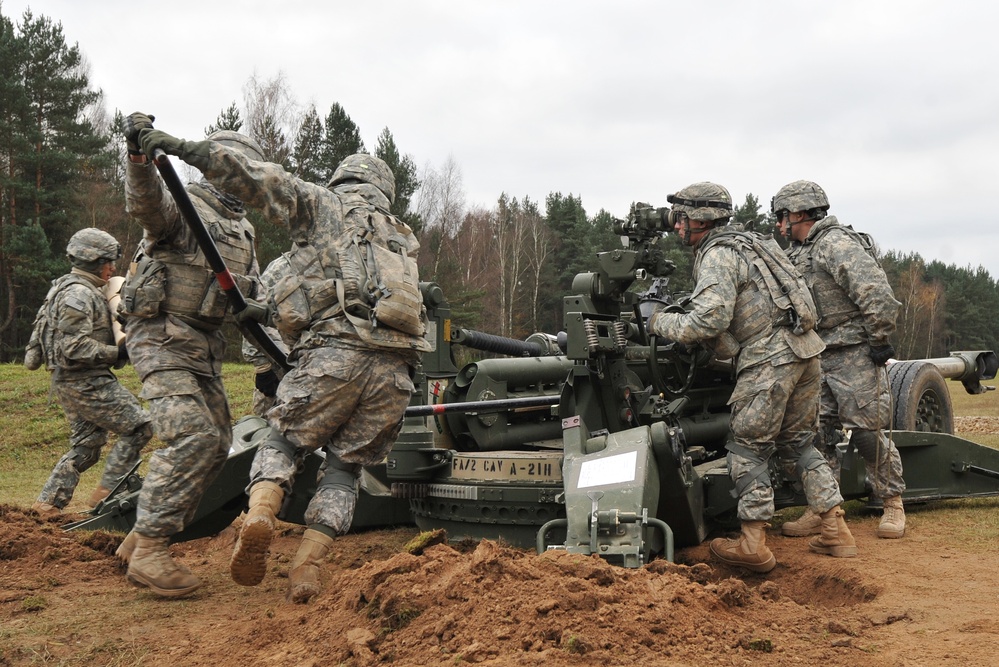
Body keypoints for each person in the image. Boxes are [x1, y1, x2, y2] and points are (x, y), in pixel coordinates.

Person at [140, 124, 429, 603]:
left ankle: (259, 517)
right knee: (345, 469)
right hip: (394, 376)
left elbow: (258, 178)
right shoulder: (402, 238)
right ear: (384, 191)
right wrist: (270, 312)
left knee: (283, 442)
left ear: (340, 181)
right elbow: (361, 290)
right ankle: (307, 568)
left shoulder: (323, 205)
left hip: (332, 358)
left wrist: (184, 149)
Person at [647, 181, 856, 572]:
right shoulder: (753, 243)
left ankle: (753, 544)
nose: (676, 226)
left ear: (701, 219)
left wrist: (658, 320)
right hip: (805, 352)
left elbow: (709, 320)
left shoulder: (718, 255)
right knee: (800, 444)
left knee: (748, 447)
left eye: (682, 218)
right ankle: (836, 530)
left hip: (770, 360)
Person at [117, 113, 261, 597]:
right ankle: (154, 549)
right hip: (159, 336)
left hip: (203, 345)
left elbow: (252, 291)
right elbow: (147, 204)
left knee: (219, 442)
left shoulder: (243, 231)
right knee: (192, 437)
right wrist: (140, 158)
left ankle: (138, 538)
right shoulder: (186, 205)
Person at [773, 180, 906, 539]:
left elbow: (875, 294)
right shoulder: (799, 253)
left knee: (867, 432)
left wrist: (879, 340)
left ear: (798, 213)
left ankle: (892, 501)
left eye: (782, 216)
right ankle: (823, 508)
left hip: (854, 353)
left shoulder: (835, 244)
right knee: (817, 434)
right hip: (816, 355)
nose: (779, 224)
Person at [25, 228, 153, 519]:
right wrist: (117, 353)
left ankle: (47, 505)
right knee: (140, 426)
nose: (113, 268)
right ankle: (111, 489)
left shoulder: (68, 287)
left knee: (88, 445)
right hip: (85, 380)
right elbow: (73, 346)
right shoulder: (79, 294)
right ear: (94, 261)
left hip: (72, 380)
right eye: (109, 261)